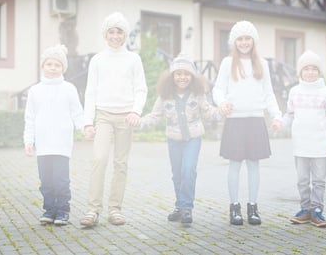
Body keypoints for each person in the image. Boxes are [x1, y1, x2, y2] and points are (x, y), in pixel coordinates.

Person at [80, 12, 148, 227]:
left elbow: (141, 89)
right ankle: (92, 210)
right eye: (112, 31)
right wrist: (87, 121)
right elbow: (90, 92)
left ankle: (115, 209)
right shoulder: (97, 60)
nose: (116, 36)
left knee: (120, 164)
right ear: (105, 34)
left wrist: (136, 111)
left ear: (125, 35)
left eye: (120, 32)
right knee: (99, 159)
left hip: (126, 117)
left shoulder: (133, 59)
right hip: (103, 116)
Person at [137, 54, 221, 225]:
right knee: (177, 174)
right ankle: (179, 205)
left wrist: (222, 112)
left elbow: (209, 112)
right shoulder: (165, 96)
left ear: (192, 77)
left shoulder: (198, 94)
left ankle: (187, 207)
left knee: (188, 170)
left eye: (186, 74)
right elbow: (155, 116)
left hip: (193, 138)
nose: (182, 77)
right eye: (178, 74)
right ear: (172, 76)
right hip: (173, 139)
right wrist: (138, 122)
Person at [212, 20, 282, 226]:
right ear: (234, 42)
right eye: (240, 39)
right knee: (234, 164)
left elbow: (268, 93)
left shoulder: (262, 64)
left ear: (253, 41)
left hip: (256, 120)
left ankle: (253, 207)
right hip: (235, 120)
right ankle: (234, 207)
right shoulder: (227, 63)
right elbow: (217, 89)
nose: (243, 42)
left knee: (253, 165)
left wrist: (276, 115)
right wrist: (222, 102)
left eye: (247, 38)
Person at [23, 44, 85, 226]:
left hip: (61, 144)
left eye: (57, 65)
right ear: (43, 66)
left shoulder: (69, 88)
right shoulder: (35, 90)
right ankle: (49, 210)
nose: (53, 68)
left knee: (61, 180)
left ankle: (63, 211)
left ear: (63, 68)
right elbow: (30, 118)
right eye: (49, 64)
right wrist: (29, 140)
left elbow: (77, 113)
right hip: (43, 145)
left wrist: (84, 127)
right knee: (46, 181)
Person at [283, 50, 326, 228]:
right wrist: (279, 124)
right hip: (300, 145)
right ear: (300, 72)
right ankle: (305, 210)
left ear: (319, 71)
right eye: (306, 69)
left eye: (314, 68)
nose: (310, 72)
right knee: (301, 180)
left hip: (320, 146)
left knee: (318, 181)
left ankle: (317, 211)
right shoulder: (294, 92)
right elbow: (289, 116)